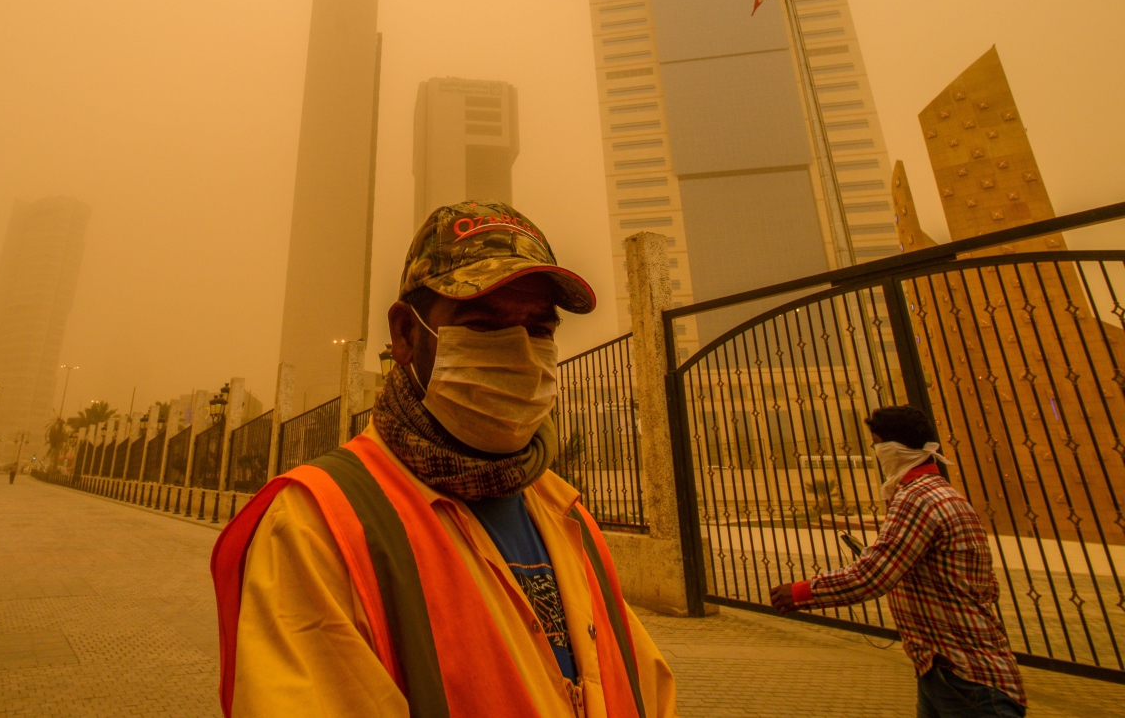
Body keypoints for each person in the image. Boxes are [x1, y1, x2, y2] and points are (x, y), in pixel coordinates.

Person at [213, 201, 676, 718]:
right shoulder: (318, 528)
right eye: (482, 324)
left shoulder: (567, 515)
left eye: (540, 330)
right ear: (406, 335)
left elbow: (641, 690)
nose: (521, 355)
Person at [770, 405, 1025, 717]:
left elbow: (872, 576)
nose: (877, 452)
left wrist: (799, 592)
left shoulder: (917, 499)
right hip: (940, 667)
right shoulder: (940, 493)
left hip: (967, 678)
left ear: (894, 448)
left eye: (877, 443)